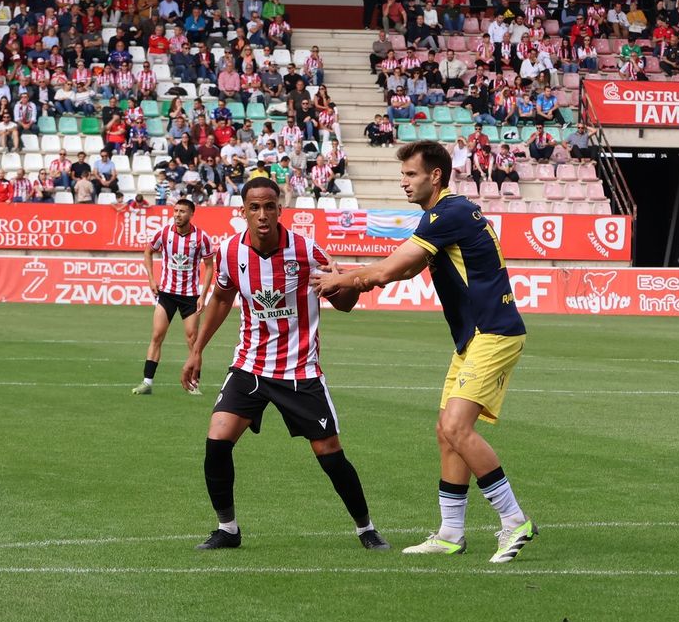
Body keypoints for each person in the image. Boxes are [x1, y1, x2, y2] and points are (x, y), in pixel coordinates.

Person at [315, 141, 535, 563]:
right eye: (402, 176)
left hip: (494, 332)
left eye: (411, 175)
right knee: (445, 430)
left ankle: (514, 520)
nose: (404, 182)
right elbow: (409, 267)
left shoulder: (446, 213)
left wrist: (344, 281)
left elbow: (390, 269)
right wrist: (360, 277)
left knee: (456, 427)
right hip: (474, 338)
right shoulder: (444, 217)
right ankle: (451, 532)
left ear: (435, 176)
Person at [179, 177, 390, 552]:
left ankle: (366, 528)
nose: (262, 214)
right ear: (242, 211)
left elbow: (342, 303)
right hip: (249, 367)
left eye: (269, 206)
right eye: (254, 207)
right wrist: (197, 350)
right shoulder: (229, 252)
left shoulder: (307, 252)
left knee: (329, 455)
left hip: (299, 371)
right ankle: (227, 529)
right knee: (216, 441)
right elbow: (222, 300)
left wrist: (354, 284)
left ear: (280, 209)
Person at [133, 198, 215, 397]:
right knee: (157, 336)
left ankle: (194, 383)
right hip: (167, 294)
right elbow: (148, 251)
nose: (178, 214)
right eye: (176, 210)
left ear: (191, 214)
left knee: (193, 340)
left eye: (182, 211)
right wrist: (152, 280)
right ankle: (147, 382)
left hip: (190, 296)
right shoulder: (164, 233)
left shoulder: (201, 238)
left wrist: (203, 295)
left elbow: (210, 266)